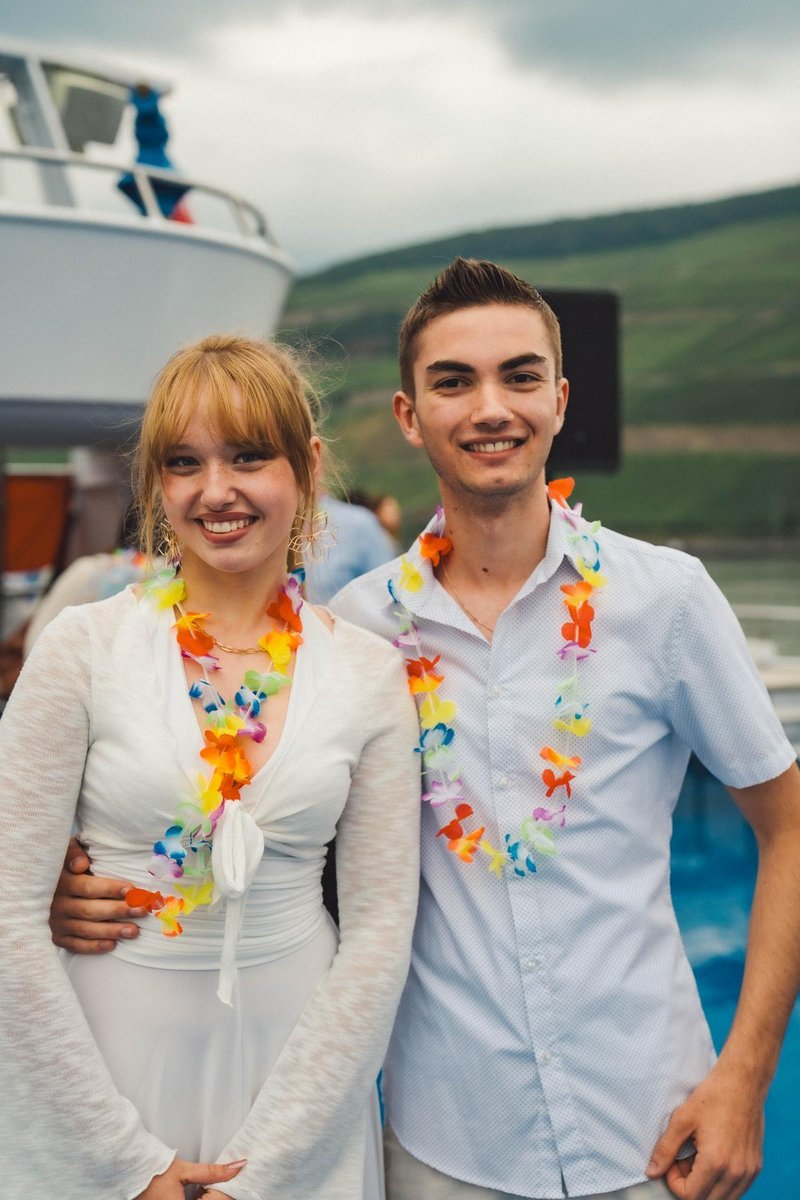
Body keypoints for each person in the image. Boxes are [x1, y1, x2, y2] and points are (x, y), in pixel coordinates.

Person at [50, 261, 800, 1200]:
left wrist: (746, 1077)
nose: (491, 408)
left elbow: (788, 826)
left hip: (654, 1128)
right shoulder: (355, 634)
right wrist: (74, 886)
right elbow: (258, 828)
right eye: (454, 381)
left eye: (520, 377)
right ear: (409, 415)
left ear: (560, 400)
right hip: (449, 1148)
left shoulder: (666, 599)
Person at [0, 334, 420, 1200]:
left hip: (296, 1081)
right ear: (157, 484)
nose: (216, 489)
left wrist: (265, 1169)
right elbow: (8, 910)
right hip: (101, 1075)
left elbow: (381, 930)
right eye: (185, 462)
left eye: (248, 456)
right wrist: (125, 1164)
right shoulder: (83, 647)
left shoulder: (367, 672)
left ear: (307, 466)